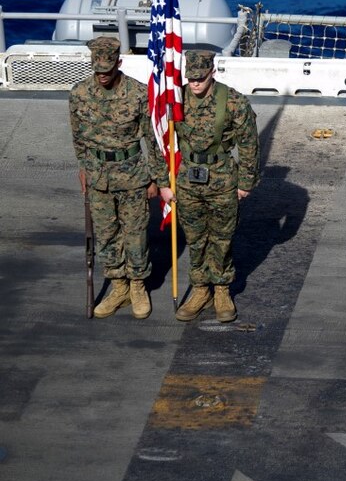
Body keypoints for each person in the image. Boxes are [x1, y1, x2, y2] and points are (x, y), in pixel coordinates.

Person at [159, 50, 260, 324]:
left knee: (222, 238)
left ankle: (222, 289)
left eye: (200, 78)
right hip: (187, 181)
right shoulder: (176, 101)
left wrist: (245, 182)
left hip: (222, 179)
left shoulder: (233, 101)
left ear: (212, 73)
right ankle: (201, 289)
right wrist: (162, 182)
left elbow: (249, 143)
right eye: (191, 78)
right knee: (195, 238)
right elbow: (160, 141)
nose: (195, 83)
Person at [69, 36, 164, 319]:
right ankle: (119, 286)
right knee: (106, 234)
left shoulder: (138, 93)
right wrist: (84, 167)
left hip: (132, 174)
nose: (102, 76)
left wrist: (156, 179)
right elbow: (78, 137)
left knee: (135, 234)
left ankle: (137, 286)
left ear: (118, 63)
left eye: (107, 70)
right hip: (98, 176)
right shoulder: (79, 93)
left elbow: (152, 140)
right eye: (97, 70)